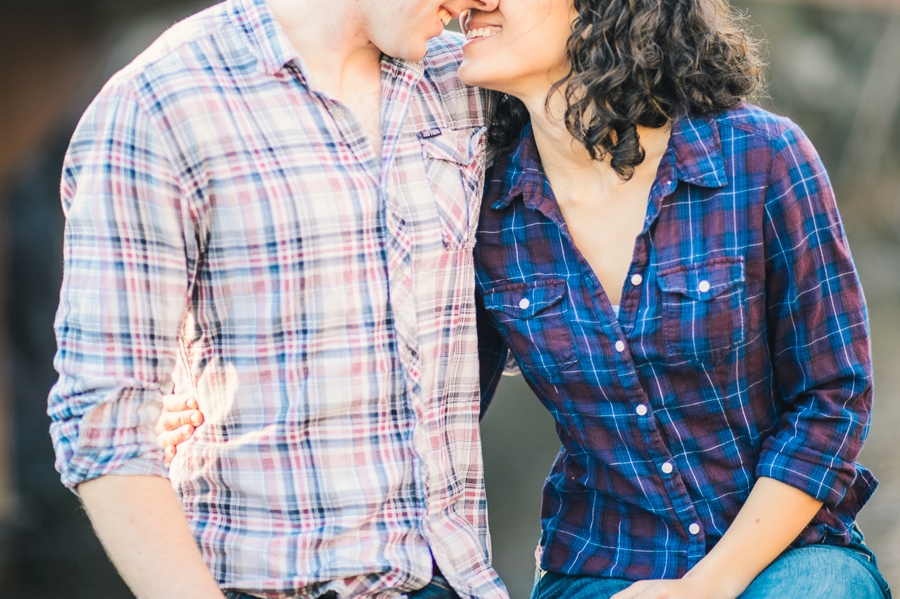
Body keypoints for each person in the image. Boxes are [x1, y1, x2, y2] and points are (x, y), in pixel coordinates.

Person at [159, 1, 892, 598]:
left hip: (790, 557)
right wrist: (223, 404)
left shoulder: (760, 157)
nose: (472, 0)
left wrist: (705, 588)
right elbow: (421, 396)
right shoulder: (485, 204)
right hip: (598, 565)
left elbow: (831, 399)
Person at [47, 0, 512, 598]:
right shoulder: (160, 104)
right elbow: (103, 423)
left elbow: (542, 303)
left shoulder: (470, 81)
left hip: (461, 581)